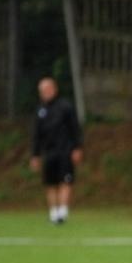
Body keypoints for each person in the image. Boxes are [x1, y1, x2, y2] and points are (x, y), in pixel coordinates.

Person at [30, 77, 82, 224]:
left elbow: (75, 129)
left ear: (54, 89)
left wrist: (77, 148)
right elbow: (36, 135)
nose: (45, 93)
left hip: (65, 151)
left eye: (47, 89)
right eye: (42, 91)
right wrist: (35, 155)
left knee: (65, 181)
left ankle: (62, 212)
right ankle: (53, 213)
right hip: (49, 152)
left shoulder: (65, 107)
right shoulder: (40, 110)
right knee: (50, 183)